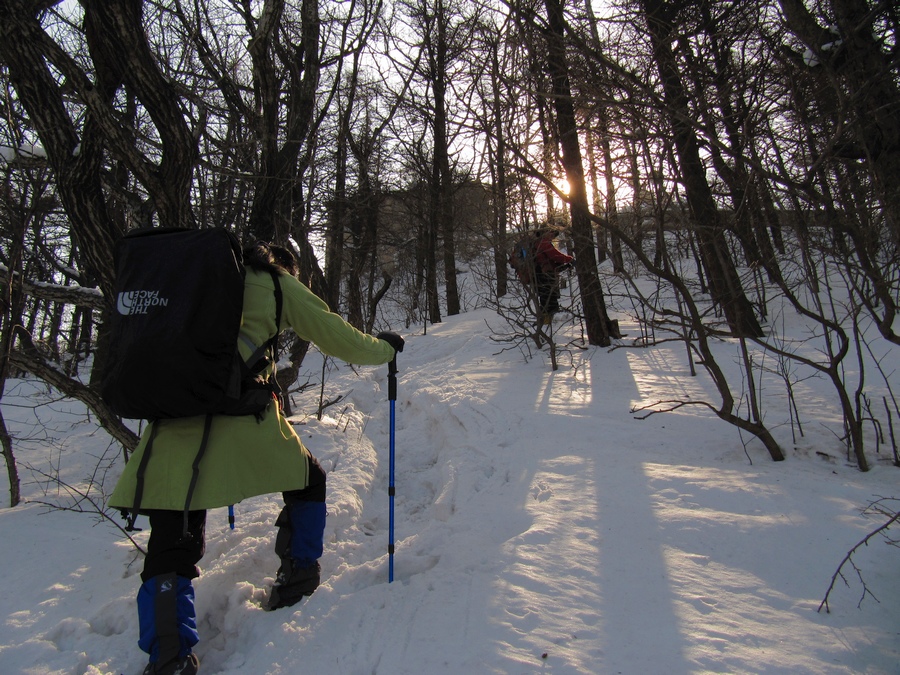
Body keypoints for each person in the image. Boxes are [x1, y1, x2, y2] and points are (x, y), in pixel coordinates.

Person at [108, 241, 405, 675]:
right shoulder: (274, 283)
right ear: (286, 266)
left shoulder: (191, 283)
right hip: (242, 418)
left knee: (171, 538)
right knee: (310, 481)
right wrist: (385, 349)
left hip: (171, 424)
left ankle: (168, 656)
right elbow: (336, 335)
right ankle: (298, 576)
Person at [532, 227, 574, 324]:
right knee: (548, 297)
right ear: (545, 232)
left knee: (546, 297)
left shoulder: (537, 243)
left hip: (540, 274)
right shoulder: (543, 243)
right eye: (552, 234)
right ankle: (548, 321)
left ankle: (547, 320)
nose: (553, 236)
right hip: (544, 274)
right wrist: (569, 259)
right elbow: (555, 255)